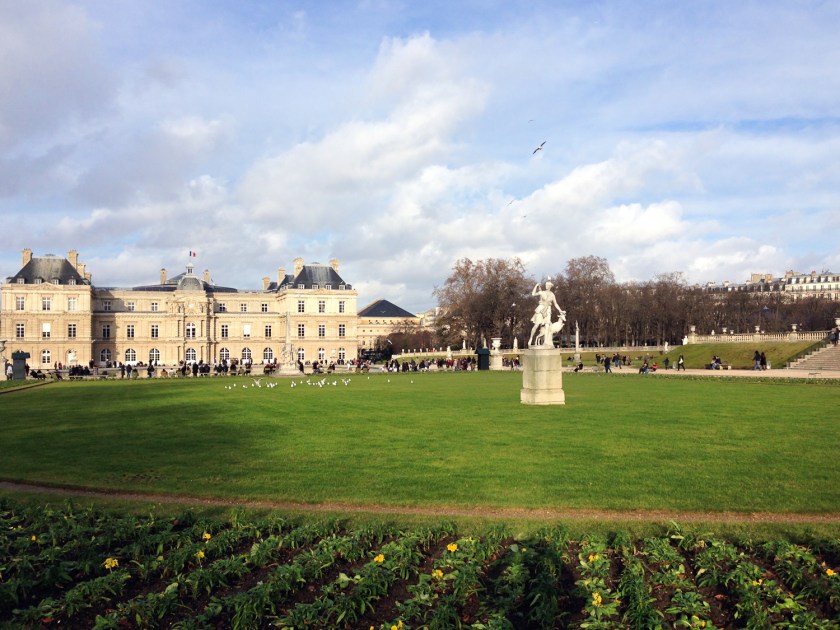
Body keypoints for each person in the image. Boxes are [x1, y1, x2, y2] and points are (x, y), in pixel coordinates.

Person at [528, 281, 565, 347]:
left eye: (548, 285)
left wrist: (560, 310)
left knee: (547, 325)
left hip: (548, 310)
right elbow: (533, 294)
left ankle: (546, 342)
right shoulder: (542, 292)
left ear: (550, 286)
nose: (546, 286)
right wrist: (536, 286)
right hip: (541, 309)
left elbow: (555, 304)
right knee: (536, 325)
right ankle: (531, 338)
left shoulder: (552, 294)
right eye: (546, 285)